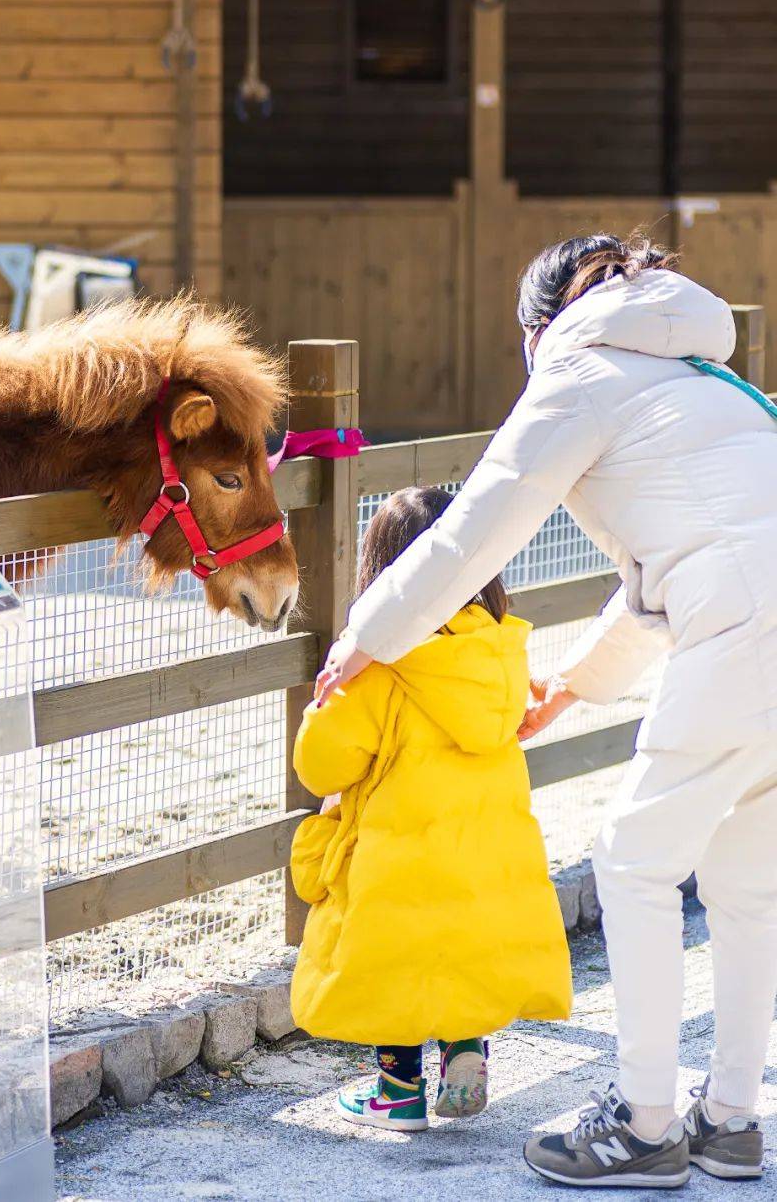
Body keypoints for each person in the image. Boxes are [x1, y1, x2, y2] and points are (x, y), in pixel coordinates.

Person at [317, 234, 776, 1186]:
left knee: (633, 859)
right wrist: (570, 683)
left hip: (743, 626)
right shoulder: (704, 375)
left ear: (537, 327)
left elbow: (474, 530)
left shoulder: (576, 370)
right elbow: (672, 566)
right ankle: (730, 1117)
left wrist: (365, 629)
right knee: (744, 876)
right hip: (746, 615)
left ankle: (646, 1124)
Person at [290, 485, 571, 1133]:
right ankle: (466, 1051)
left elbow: (324, 763)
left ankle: (398, 1089)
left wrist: (320, 710)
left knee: (396, 956)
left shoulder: (382, 664)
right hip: (484, 848)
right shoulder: (500, 650)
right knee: (460, 945)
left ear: (383, 571)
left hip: (400, 850)